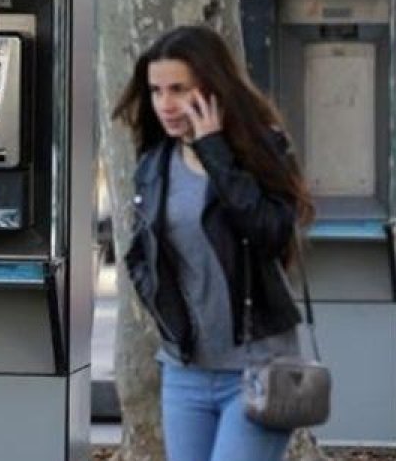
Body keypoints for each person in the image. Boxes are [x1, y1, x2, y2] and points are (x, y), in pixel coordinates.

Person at [112, 25, 314, 461]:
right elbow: (141, 252)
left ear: (211, 87)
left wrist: (214, 151)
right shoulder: (155, 163)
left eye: (179, 89)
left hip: (260, 367)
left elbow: (270, 232)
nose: (165, 104)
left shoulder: (263, 148)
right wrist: (163, 314)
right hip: (183, 371)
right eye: (155, 90)